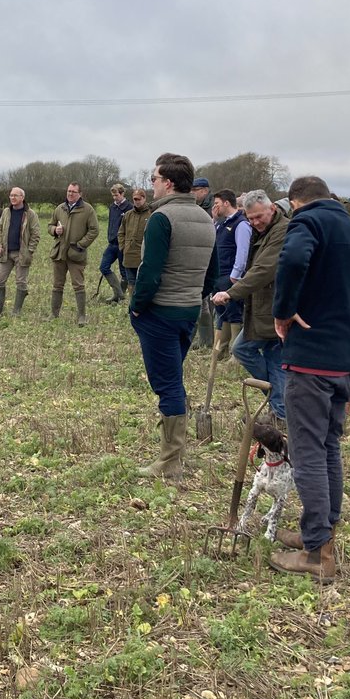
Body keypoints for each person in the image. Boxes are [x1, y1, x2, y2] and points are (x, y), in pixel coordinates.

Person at [265, 176, 350, 583]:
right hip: (344, 362)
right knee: (328, 446)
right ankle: (322, 534)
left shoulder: (307, 221)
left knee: (308, 451)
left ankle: (316, 553)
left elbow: (293, 259)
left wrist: (283, 311)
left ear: (296, 202)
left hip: (311, 360)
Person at [131, 154, 217, 480]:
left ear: (168, 183)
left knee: (167, 384)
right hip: (189, 311)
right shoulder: (205, 218)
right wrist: (194, 296)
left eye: (154, 178)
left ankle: (170, 461)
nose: (151, 184)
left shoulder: (162, 218)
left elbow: (150, 271)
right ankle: (173, 453)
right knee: (173, 377)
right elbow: (212, 273)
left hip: (161, 313)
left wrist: (137, 305)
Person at [212, 190, 289, 425]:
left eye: (259, 217)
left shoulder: (282, 231)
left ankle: (281, 404)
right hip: (264, 307)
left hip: (273, 307)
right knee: (274, 358)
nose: (255, 222)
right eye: (251, 218)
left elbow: (264, 270)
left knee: (243, 349)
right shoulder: (264, 231)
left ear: (272, 209)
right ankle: (280, 408)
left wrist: (232, 292)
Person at [48, 183, 99, 326]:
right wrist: (54, 230)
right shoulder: (60, 208)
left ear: (80, 194)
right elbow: (50, 225)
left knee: (78, 285)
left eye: (74, 192)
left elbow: (94, 230)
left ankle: (82, 316)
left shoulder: (88, 209)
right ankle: (54, 314)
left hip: (76, 254)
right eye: (69, 191)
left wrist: (80, 245)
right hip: (59, 253)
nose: (70, 194)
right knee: (57, 285)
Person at [0, 187, 40, 316]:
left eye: (15, 195)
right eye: (11, 195)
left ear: (22, 198)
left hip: (21, 254)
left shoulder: (30, 214)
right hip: (5, 253)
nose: (12, 198)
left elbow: (35, 234)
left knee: (21, 282)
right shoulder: (6, 212)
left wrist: (29, 251)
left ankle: (16, 311)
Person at [210, 190, 246, 354]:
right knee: (221, 312)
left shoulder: (241, 224)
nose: (215, 207)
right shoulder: (221, 223)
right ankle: (220, 350)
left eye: (217, 203)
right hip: (219, 274)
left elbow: (242, 252)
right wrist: (214, 219)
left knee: (234, 312)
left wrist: (235, 276)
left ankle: (235, 353)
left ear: (226, 203)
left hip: (230, 276)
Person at [190, 176, 215, 349]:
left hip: (207, 255)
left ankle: (206, 340)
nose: (193, 193)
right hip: (199, 253)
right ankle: (204, 339)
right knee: (203, 302)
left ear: (205, 190)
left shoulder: (212, 207)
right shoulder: (197, 206)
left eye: (196, 190)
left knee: (205, 302)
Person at [98, 184, 133, 303]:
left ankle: (120, 297)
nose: (114, 198)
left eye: (116, 195)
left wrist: (126, 243)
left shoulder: (129, 208)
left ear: (122, 194)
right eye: (113, 195)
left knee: (124, 272)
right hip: (112, 243)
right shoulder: (112, 207)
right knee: (104, 266)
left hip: (123, 245)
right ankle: (119, 294)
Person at [116, 188, 152, 294]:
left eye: (138, 199)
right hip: (129, 256)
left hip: (143, 257)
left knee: (143, 283)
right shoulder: (128, 215)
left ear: (144, 198)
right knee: (131, 283)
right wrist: (123, 247)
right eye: (134, 199)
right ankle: (132, 303)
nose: (136, 201)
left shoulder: (151, 214)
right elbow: (121, 232)